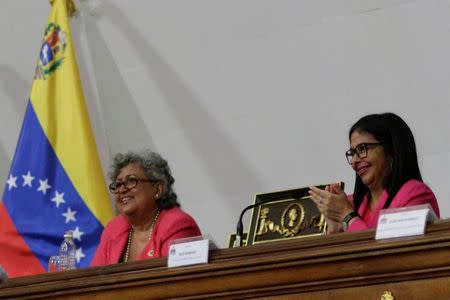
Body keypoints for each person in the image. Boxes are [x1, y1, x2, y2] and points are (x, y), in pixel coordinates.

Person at [309, 112, 440, 233]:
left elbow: (392, 253)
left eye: (362, 149)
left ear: (390, 150)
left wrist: (348, 217)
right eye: (352, 153)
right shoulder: (350, 203)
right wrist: (334, 230)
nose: (354, 160)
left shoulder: (415, 194)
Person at [91, 150, 201, 266]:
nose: (122, 190)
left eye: (131, 181)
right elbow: (95, 278)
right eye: (118, 185)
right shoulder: (113, 229)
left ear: (157, 189)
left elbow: (176, 281)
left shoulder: (177, 225)